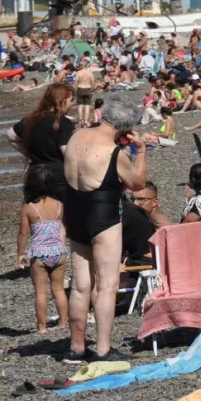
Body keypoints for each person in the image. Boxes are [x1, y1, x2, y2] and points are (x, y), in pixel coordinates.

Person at [63, 98, 147, 363]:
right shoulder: (115, 152)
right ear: (125, 129)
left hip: (74, 212)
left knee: (80, 286)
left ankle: (76, 348)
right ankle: (102, 349)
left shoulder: (76, 135)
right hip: (103, 214)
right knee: (107, 284)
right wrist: (142, 150)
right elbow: (138, 183)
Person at [17, 165, 69, 334]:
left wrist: (21, 253)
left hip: (39, 253)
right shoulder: (59, 205)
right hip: (58, 252)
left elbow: (23, 232)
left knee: (41, 292)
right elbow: (61, 228)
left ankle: (42, 327)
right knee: (59, 290)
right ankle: (63, 323)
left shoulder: (29, 208)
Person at [8, 83, 76, 201]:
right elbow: (67, 153)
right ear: (61, 100)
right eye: (71, 100)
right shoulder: (64, 123)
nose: (72, 105)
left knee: (36, 212)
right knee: (61, 215)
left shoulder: (32, 119)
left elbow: (11, 135)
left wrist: (28, 155)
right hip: (57, 176)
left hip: (35, 172)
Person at [74, 58, 96, 127]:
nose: (79, 66)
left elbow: (76, 82)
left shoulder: (78, 73)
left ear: (82, 66)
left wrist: (74, 90)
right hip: (88, 89)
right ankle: (86, 120)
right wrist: (92, 90)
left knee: (80, 105)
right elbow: (93, 82)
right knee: (87, 105)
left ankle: (81, 121)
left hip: (80, 89)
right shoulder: (90, 73)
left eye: (80, 65)